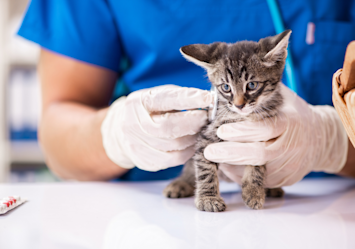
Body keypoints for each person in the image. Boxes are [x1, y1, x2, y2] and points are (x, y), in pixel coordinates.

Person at [18, 0, 355, 185]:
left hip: (326, 208)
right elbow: (58, 130)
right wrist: (111, 136)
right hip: (150, 212)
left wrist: (332, 141)